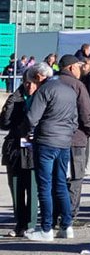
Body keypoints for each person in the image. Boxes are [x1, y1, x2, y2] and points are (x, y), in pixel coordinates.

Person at [25, 61, 78, 242]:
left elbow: (32, 118)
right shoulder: (69, 90)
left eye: (34, 80)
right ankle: (67, 225)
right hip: (64, 142)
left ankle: (46, 228)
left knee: (45, 186)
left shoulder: (44, 90)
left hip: (46, 141)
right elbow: (75, 119)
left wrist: (30, 132)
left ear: (39, 77)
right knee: (61, 184)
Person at [1, 68, 40, 237]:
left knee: (32, 187)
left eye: (32, 83)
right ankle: (20, 223)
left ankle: (31, 223)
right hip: (15, 148)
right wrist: (12, 101)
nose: (29, 86)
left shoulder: (42, 98)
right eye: (26, 83)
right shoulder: (16, 98)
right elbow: (4, 123)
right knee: (16, 187)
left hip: (33, 147)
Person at [56, 55, 90, 224]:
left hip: (54, 138)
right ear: (71, 68)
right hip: (76, 138)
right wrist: (89, 129)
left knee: (57, 176)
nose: (80, 69)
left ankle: (54, 213)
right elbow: (86, 113)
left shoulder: (51, 84)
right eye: (78, 66)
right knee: (76, 178)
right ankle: (69, 215)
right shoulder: (78, 85)